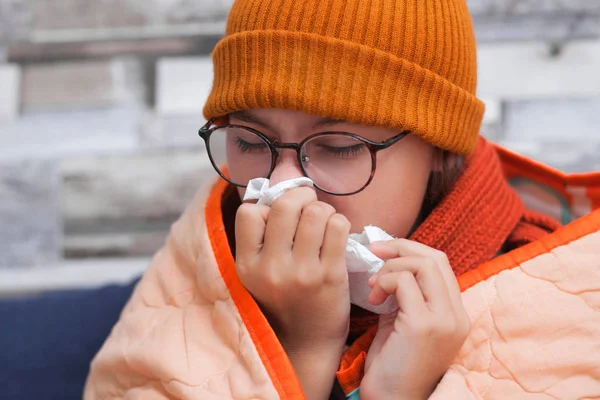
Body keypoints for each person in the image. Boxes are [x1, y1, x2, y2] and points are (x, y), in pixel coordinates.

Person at [84, 0, 600, 399]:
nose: (287, 188)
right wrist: (303, 347)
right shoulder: (201, 249)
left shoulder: (559, 304)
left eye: (338, 147)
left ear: (440, 152)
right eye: (247, 140)